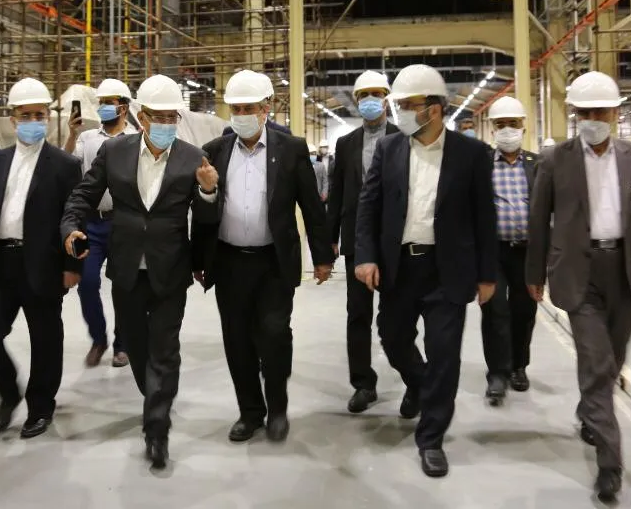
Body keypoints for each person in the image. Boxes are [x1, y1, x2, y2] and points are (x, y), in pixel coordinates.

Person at [526, 71, 631, 502]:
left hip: (625, 272)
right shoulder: (555, 160)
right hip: (577, 274)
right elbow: (538, 222)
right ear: (574, 114)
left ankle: (589, 410)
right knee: (597, 364)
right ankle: (610, 464)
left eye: (600, 112)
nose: (593, 120)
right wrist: (533, 274)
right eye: (585, 113)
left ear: (615, 114)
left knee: (613, 357)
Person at [61, 74, 220, 470]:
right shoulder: (115, 151)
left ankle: (157, 430)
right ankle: (155, 397)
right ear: (142, 117)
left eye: (171, 117)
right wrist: (71, 226)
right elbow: (84, 194)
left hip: (170, 269)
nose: (166, 124)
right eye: (158, 117)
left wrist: (208, 191)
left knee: (165, 350)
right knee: (135, 347)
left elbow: (206, 221)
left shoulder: (193, 157)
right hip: (127, 268)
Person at [355, 64, 497, 479]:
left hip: (447, 270)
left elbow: (484, 217)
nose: (398, 111)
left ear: (434, 109)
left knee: (444, 354)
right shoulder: (389, 149)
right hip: (400, 267)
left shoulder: (471, 154)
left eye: (406, 104)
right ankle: (418, 384)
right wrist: (365, 256)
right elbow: (369, 205)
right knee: (392, 337)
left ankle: (431, 439)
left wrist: (487, 275)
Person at [197, 70, 335, 444]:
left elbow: (311, 206)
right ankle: (250, 413)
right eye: (236, 109)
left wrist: (322, 257)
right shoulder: (214, 151)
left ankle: (277, 409)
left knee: (274, 335)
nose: (242, 115)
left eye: (249, 108)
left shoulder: (290, 149)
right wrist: (199, 259)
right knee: (237, 340)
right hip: (229, 262)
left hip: (273, 262)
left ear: (266, 108)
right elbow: (203, 210)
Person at [0, 77, 83, 439]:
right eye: (26, 115)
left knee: (45, 339)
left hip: (43, 263)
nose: (33, 121)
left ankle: (40, 407)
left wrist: (72, 265)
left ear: (47, 117)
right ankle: (9, 391)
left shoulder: (64, 164)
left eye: (39, 114)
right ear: (12, 119)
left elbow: (74, 217)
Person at [326, 70, 403, 414]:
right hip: (357, 240)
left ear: (386, 98)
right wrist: (329, 239)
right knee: (358, 314)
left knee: (397, 316)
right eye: (364, 95)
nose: (370, 100)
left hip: (397, 241)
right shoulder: (346, 144)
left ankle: (410, 375)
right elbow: (337, 192)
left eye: (376, 94)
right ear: (356, 101)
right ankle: (363, 383)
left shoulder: (404, 138)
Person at [64, 78, 134, 369]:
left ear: (124, 107)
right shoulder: (87, 138)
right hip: (91, 223)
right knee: (88, 282)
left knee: (124, 286)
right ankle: (98, 339)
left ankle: (122, 345)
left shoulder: (136, 138)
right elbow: (67, 163)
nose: (104, 107)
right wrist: (71, 134)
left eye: (110, 102)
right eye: (101, 102)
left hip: (123, 223)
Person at [479, 96, 540, 407]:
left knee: (524, 311)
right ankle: (497, 373)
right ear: (492, 129)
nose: (506, 130)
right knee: (494, 311)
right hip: (492, 252)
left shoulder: (537, 165)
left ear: (523, 127)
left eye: (512, 124)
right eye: (500, 124)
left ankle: (518, 366)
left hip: (526, 252)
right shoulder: (482, 165)